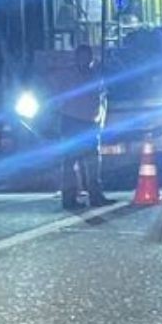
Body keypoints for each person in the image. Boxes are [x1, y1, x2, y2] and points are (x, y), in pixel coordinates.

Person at [56, 44, 110, 209]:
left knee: (93, 162)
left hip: (90, 123)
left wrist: (101, 122)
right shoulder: (68, 75)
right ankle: (69, 199)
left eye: (88, 57)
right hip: (71, 122)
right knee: (69, 163)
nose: (85, 60)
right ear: (76, 58)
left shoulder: (96, 77)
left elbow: (102, 100)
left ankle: (96, 196)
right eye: (82, 56)